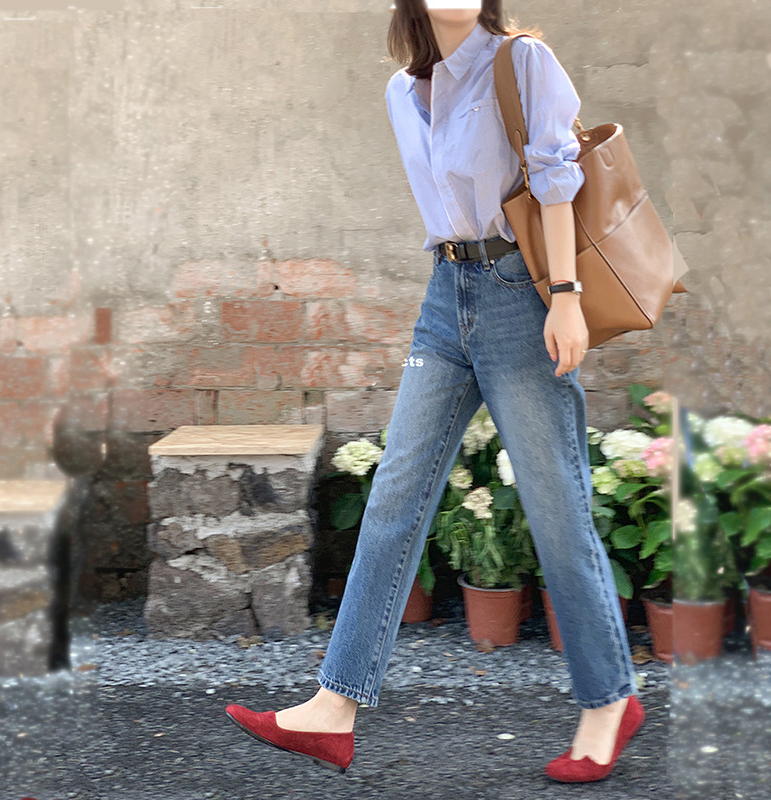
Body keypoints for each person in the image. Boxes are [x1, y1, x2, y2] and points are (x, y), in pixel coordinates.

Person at [226, 0, 645, 783]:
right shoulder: (401, 91)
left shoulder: (522, 61)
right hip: (446, 297)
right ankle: (334, 707)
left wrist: (565, 296)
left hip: (521, 297)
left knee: (556, 505)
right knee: (396, 493)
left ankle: (608, 701)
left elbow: (558, 180)